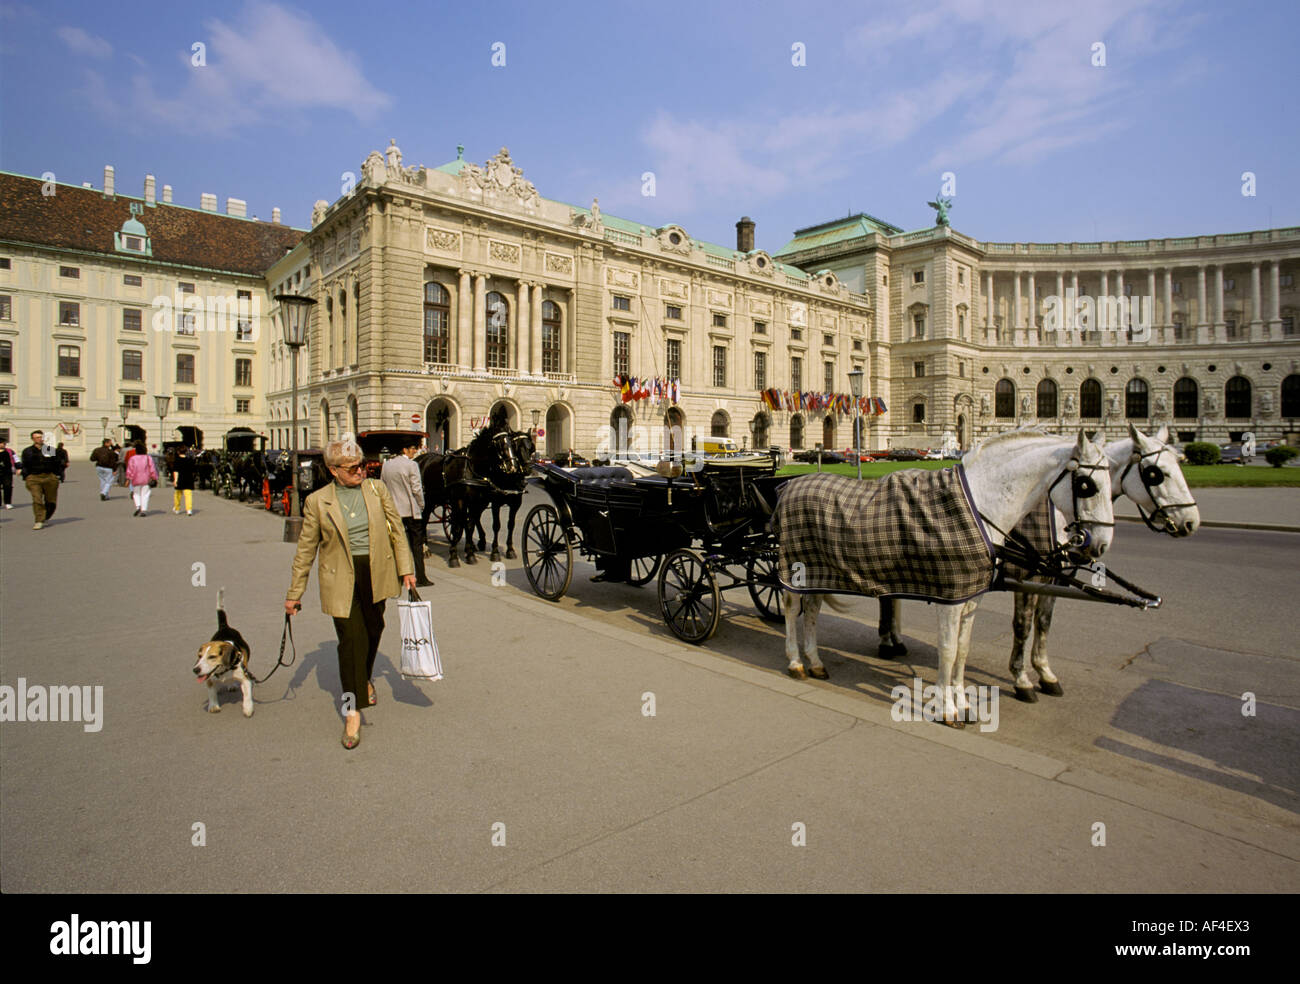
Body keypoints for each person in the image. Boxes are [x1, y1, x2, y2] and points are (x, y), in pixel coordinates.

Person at [285, 435, 416, 749]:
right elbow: (305, 551)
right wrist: (295, 592)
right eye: (353, 468)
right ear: (333, 470)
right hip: (339, 578)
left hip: (376, 572)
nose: (360, 472)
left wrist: (407, 569)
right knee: (349, 641)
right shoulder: (317, 501)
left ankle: (364, 678)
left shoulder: (376, 489)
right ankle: (352, 710)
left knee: (373, 630)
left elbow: (397, 529)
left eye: (363, 466)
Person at [381, 438, 433, 587]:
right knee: (416, 545)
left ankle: (394, 576)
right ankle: (421, 576)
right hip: (410, 510)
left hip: (393, 511)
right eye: (412, 448)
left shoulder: (387, 466)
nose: (415, 451)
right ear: (404, 450)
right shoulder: (412, 465)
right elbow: (416, 488)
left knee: (395, 544)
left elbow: (383, 486)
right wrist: (421, 505)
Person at [21, 430, 61, 530]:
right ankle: (39, 520)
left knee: (51, 501)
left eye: (41, 437)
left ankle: (46, 516)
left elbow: (57, 462)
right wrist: (26, 476)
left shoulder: (48, 449)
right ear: (33, 439)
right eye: (37, 437)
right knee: (37, 499)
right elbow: (24, 464)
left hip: (49, 477)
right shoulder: (28, 451)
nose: (39, 439)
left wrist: (57, 475)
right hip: (34, 477)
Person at [124, 440, 158, 516]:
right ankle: (144, 510)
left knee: (136, 494)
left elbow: (130, 470)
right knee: (145, 494)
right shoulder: (148, 458)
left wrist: (128, 479)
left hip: (136, 479)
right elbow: (152, 469)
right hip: (146, 479)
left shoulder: (133, 459)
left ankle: (138, 506)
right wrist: (154, 477)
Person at [172, 448, 196, 515]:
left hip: (180, 479)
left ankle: (177, 509)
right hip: (188, 479)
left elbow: (176, 471)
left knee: (178, 495)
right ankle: (189, 510)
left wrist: (175, 480)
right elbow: (193, 471)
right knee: (188, 495)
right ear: (186, 452)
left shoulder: (177, 460)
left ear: (178, 452)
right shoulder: (190, 460)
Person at [0, 439, 14, 510]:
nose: (3, 445)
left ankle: (8, 503)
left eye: (4, 443)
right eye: (1, 443)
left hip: (7, 472)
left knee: (8, 487)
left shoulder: (9, 451)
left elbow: (16, 459)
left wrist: (18, 467)